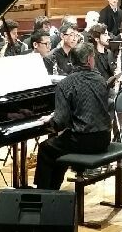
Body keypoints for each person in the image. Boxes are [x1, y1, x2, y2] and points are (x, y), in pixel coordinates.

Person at [34, 42, 112, 190]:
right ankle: (53, 191)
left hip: (83, 141)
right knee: (58, 146)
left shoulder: (65, 84)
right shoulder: (100, 79)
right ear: (89, 60)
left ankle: (44, 193)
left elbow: (61, 122)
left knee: (46, 148)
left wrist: (50, 121)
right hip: (104, 138)